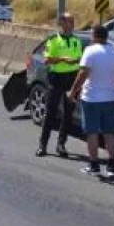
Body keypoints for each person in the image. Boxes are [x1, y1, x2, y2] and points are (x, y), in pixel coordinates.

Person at [69, 24, 114, 177]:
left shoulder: (90, 51)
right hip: (111, 98)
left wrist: (73, 91)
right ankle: (111, 166)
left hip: (91, 98)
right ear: (107, 36)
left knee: (92, 133)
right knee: (110, 133)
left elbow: (82, 74)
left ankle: (94, 164)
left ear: (94, 36)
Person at [36, 13, 83, 158]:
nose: (72, 23)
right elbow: (47, 60)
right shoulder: (54, 40)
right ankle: (42, 145)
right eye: (69, 20)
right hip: (56, 80)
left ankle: (61, 144)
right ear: (62, 23)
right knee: (50, 113)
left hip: (71, 80)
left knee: (68, 115)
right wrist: (62, 59)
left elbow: (80, 59)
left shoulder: (77, 40)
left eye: (73, 20)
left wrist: (75, 61)